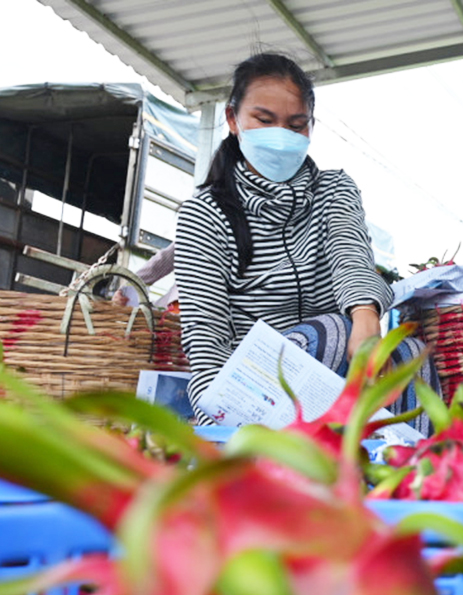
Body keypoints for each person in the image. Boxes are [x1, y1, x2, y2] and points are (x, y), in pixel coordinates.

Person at [174, 53, 428, 427]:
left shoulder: (334, 189)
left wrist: (365, 314)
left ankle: (414, 470)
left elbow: (349, 254)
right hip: (255, 395)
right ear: (232, 119)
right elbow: (206, 340)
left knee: (408, 351)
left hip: (339, 375)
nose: (281, 136)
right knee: (329, 333)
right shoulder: (204, 214)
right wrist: (221, 432)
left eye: (296, 125)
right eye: (264, 120)